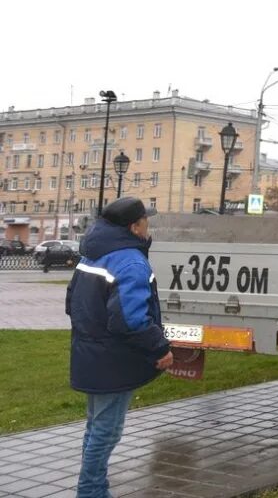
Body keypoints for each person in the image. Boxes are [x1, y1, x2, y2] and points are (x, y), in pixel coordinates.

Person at [66, 197, 173, 498]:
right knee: (107, 431)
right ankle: (91, 492)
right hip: (113, 359)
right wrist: (159, 348)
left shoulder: (93, 255)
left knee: (96, 426)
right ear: (134, 226)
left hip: (91, 352)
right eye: (145, 221)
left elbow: (73, 302)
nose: (148, 226)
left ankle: (93, 489)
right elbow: (131, 318)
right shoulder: (129, 260)